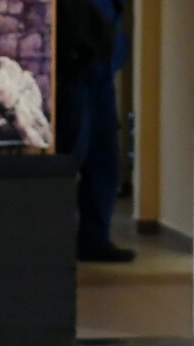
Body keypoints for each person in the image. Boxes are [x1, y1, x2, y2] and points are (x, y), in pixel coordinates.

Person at [57, 0, 133, 261]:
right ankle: (54, 238)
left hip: (101, 72)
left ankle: (94, 240)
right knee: (68, 158)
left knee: (104, 162)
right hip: (76, 72)